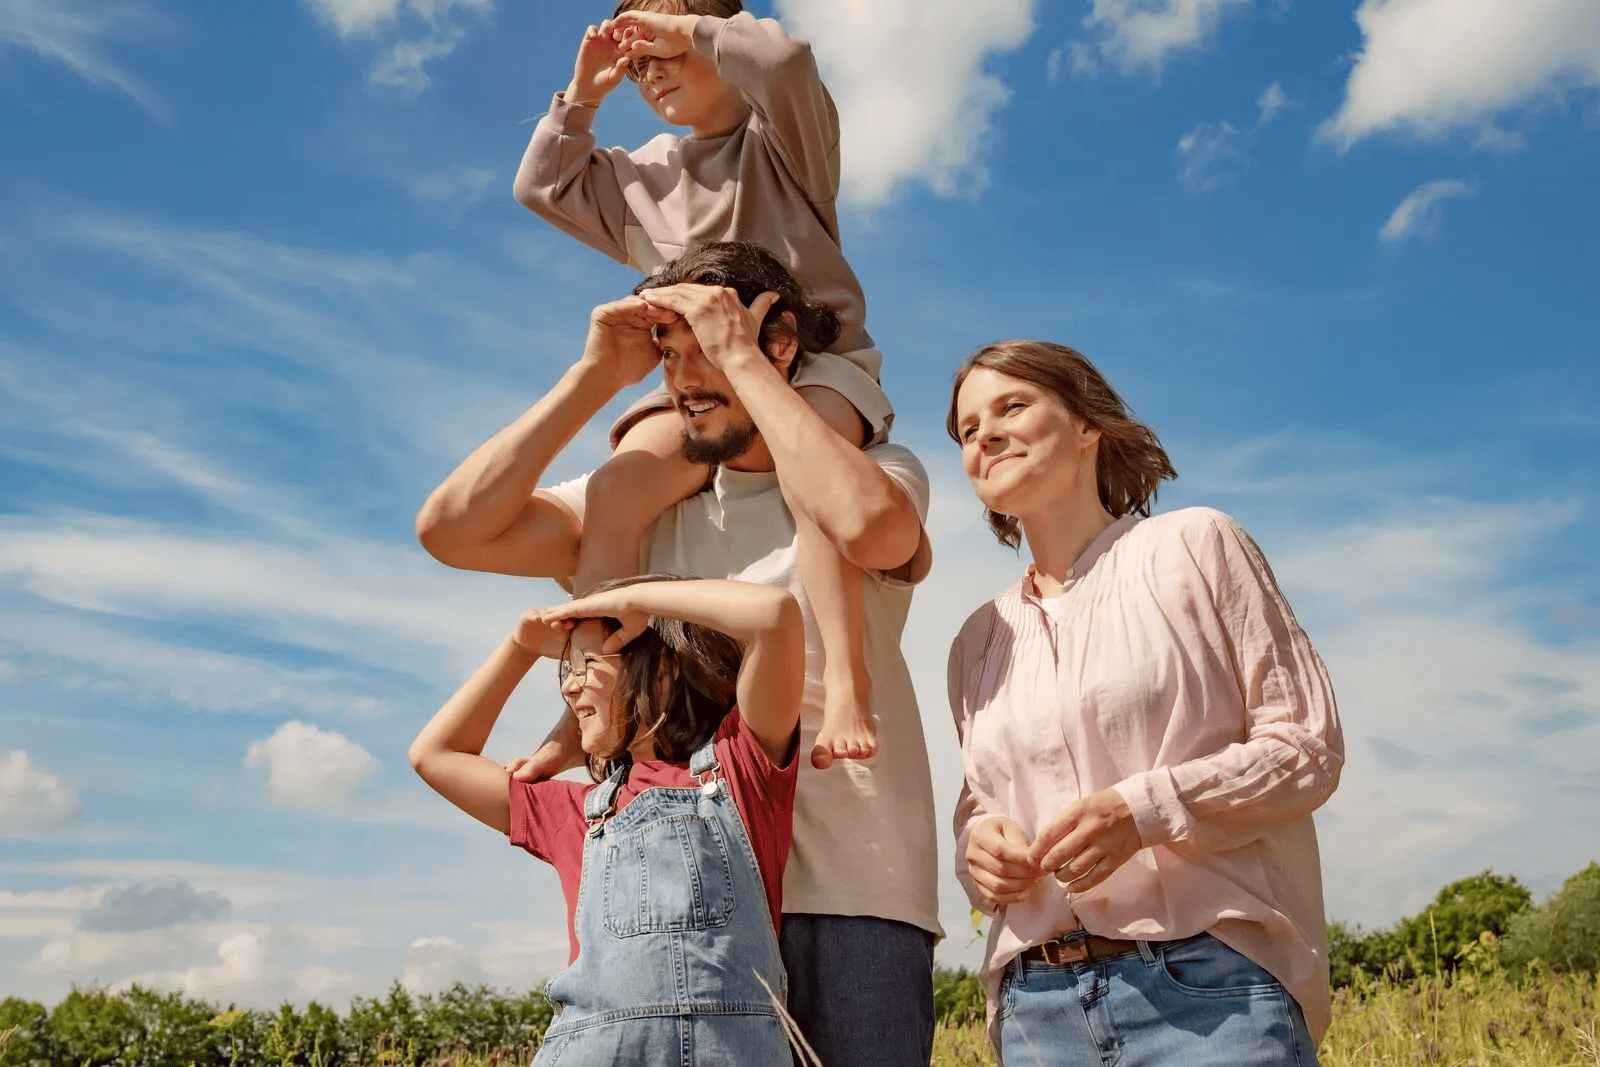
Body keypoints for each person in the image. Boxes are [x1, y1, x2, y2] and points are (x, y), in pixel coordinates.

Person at [416, 242, 942, 1067]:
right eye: (670, 354)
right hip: (674, 911)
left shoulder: (876, 467)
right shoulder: (646, 504)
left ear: (776, 342)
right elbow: (452, 528)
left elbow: (872, 528)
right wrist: (593, 376)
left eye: (706, 346)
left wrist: (745, 357)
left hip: (849, 882)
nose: (684, 377)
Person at [945, 339, 1343, 1065]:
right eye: (968, 429)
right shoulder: (977, 639)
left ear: (1087, 424)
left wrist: (1143, 811)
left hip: (1208, 991)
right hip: (1037, 1009)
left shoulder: (1196, 545)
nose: (985, 435)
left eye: (1011, 406)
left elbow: (1306, 747)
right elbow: (980, 803)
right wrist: (980, 854)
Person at [513, 1, 884, 769]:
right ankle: (590, 693)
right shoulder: (642, 174)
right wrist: (583, 95)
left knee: (808, 466)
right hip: (694, 380)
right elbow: (541, 186)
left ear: (718, 41)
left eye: (666, 53)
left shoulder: (784, 141)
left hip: (810, 359)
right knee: (617, 491)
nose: (651, 75)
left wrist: (693, 29)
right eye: (638, 65)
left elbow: (784, 64)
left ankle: (848, 679)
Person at [409, 575, 805, 1064]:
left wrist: (635, 602)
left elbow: (775, 614)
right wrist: (520, 647)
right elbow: (434, 755)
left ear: (661, 671)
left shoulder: (741, 766)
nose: (570, 685)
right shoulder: (576, 811)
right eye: (565, 669)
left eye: (586, 664)